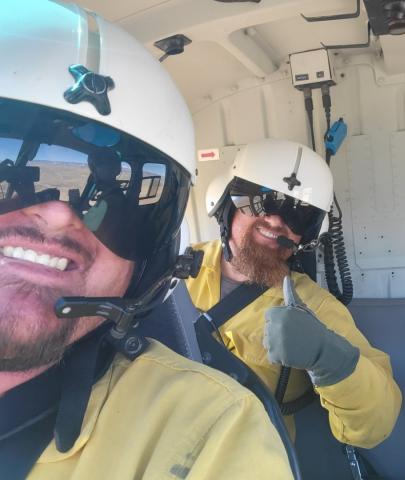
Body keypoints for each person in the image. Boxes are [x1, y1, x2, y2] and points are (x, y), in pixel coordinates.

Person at [0, 1, 294, 478]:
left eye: (128, 206)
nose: (56, 216)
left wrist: (337, 367)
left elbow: (372, 426)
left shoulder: (209, 429)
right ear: (227, 212)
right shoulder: (195, 269)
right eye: (9, 175)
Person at [186, 138, 402, 448]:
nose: (276, 221)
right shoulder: (171, 273)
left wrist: (328, 357)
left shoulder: (312, 307)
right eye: (261, 201)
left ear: (307, 235)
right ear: (225, 205)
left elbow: (377, 423)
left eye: (297, 215)